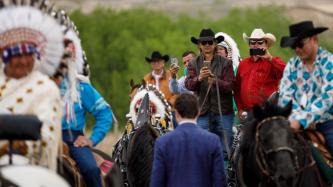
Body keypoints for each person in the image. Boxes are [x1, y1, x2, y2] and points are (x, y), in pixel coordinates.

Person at [0, 3, 64, 171]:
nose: (23, 61)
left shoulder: (45, 88)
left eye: (28, 54)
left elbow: (47, 135)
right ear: (4, 56)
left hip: (29, 165)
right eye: (16, 55)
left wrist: (19, 146)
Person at [58, 25, 114, 187]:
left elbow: (104, 113)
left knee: (90, 170)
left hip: (72, 140)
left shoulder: (80, 87)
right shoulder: (39, 84)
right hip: (41, 138)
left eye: (68, 52)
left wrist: (91, 139)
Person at [150, 93, 227, 187]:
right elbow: (220, 181)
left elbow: (157, 182)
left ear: (176, 114)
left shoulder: (162, 142)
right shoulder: (213, 140)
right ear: (198, 112)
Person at [279, 21, 333, 154]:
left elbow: (327, 98)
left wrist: (302, 120)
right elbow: (285, 96)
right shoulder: (292, 65)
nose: (297, 49)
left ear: (314, 40)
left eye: (300, 44)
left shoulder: (330, 63)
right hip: (294, 123)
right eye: (294, 46)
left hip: (327, 124)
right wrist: (296, 118)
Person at [185, 28, 235, 161]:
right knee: (202, 151)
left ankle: (223, 180)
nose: (207, 45)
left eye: (210, 42)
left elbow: (231, 86)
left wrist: (216, 81)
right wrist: (199, 78)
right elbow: (188, 85)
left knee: (225, 152)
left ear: (215, 44)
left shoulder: (226, 63)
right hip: (202, 112)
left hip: (223, 112)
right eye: (204, 42)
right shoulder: (192, 63)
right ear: (199, 45)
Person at [234, 28, 286, 120]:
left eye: (260, 42)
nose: (256, 45)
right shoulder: (243, 64)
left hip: (266, 112)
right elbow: (237, 88)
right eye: (253, 42)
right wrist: (240, 109)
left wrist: (270, 58)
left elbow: (286, 72)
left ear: (266, 45)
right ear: (249, 45)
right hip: (248, 113)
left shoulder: (272, 62)